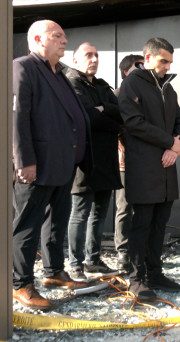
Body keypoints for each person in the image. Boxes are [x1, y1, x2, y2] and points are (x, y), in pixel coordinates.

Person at [12, 20, 91, 310]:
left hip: (63, 163)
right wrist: (24, 161)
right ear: (37, 39)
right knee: (27, 225)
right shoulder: (24, 67)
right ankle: (21, 283)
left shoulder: (59, 74)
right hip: (37, 165)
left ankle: (54, 272)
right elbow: (18, 117)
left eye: (64, 35)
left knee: (56, 220)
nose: (64, 41)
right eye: (57, 35)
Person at [118, 37, 180, 300]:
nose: (167, 66)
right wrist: (170, 143)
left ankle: (155, 272)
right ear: (147, 59)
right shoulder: (132, 84)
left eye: (170, 61)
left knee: (160, 224)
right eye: (163, 61)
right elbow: (134, 123)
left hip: (167, 171)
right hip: (145, 168)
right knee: (142, 224)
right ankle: (136, 279)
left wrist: (176, 146)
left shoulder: (168, 89)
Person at [65, 42, 122, 281]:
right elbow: (86, 118)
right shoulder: (71, 82)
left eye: (97, 55)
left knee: (99, 213)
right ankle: (75, 264)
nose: (94, 59)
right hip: (84, 161)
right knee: (80, 212)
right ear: (76, 60)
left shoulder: (102, 85)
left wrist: (103, 109)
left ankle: (93, 260)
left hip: (106, 159)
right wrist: (101, 114)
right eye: (89, 55)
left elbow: (120, 115)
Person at [113, 54, 144, 274]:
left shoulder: (148, 92)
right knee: (124, 208)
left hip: (146, 161)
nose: (143, 69)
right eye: (138, 66)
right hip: (125, 160)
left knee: (144, 207)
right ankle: (123, 252)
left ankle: (140, 252)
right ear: (126, 72)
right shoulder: (117, 94)